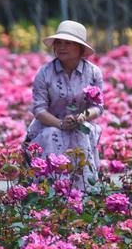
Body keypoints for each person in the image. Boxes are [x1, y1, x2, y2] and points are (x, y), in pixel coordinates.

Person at [25, 20, 105, 191]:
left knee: (81, 133)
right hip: (48, 125)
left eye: (68, 43)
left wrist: (82, 117)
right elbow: (39, 110)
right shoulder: (44, 73)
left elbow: (98, 106)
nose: (61, 47)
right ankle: (51, 189)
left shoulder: (93, 73)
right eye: (58, 43)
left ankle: (83, 191)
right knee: (52, 134)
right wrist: (61, 124)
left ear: (80, 49)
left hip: (80, 124)